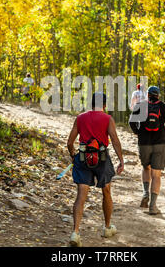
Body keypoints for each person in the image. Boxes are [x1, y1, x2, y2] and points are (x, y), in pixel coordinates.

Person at [66, 92, 125, 247]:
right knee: (106, 192)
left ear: (91, 103)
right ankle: (107, 227)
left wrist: (73, 156)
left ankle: (75, 232)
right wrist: (121, 160)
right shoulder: (107, 119)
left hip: (83, 158)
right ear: (104, 105)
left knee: (81, 196)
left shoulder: (80, 118)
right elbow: (115, 141)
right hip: (102, 159)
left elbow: (69, 142)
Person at [129, 86, 165, 215]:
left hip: (144, 143)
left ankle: (145, 193)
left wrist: (139, 133)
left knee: (146, 168)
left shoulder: (140, 105)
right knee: (156, 174)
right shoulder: (164, 107)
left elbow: (131, 122)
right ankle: (153, 206)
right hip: (159, 143)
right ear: (158, 95)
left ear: (147, 95)